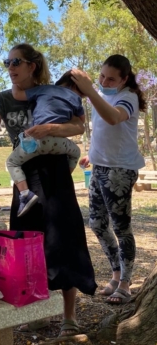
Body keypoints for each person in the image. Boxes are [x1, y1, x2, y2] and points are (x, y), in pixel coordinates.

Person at [0, 43, 97, 337]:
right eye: (7, 62)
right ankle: (36, 312)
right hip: (25, 179)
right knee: (27, 246)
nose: (10, 67)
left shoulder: (53, 92)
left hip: (55, 173)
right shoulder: (4, 99)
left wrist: (51, 130)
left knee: (64, 241)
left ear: (32, 65)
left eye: (16, 61)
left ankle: (69, 316)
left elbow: (77, 127)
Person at [71, 54, 146, 305]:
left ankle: (126, 283)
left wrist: (90, 89)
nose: (104, 81)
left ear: (124, 79)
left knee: (121, 228)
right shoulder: (102, 94)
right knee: (97, 224)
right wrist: (92, 154)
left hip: (120, 171)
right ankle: (116, 274)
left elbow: (113, 118)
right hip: (100, 167)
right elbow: (103, 130)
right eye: (102, 75)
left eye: (111, 78)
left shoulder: (128, 97)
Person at [7, 71, 85, 217]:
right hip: (59, 142)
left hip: (39, 141)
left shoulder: (44, 89)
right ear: (76, 86)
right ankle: (65, 176)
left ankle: (25, 194)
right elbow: (82, 120)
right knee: (76, 153)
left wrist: (15, 80)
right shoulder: (76, 98)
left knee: (12, 162)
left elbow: (17, 94)